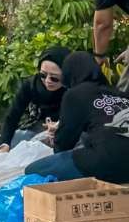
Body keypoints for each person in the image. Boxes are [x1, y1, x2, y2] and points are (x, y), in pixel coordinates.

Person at [24, 51, 129, 182]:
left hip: (107, 162)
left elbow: (63, 145)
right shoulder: (119, 94)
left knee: (32, 171)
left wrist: (56, 136)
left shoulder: (75, 94)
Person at [0, 45, 70, 151]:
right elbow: (12, 116)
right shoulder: (32, 85)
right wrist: (4, 144)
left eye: (54, 78)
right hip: (38, 127)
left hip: (66, 133)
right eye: (43, 75)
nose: (47, 81)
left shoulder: (74, 89)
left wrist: (59, 127)